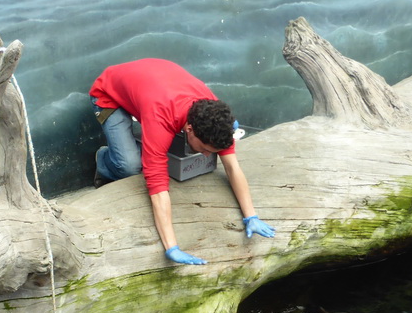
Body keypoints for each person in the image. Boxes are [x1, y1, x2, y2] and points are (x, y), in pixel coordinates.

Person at [89, 58, 275, 266]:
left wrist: (251, 216)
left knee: (151, 151)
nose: (206, 155)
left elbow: (233, 167)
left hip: (152, 82)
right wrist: (171, 246)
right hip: (109, 93)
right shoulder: (161, 116)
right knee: (131, 166)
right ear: (189, 129)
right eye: (205, 149)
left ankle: (140, 147)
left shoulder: (216, 117)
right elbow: (157, 187)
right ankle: (105, 160)